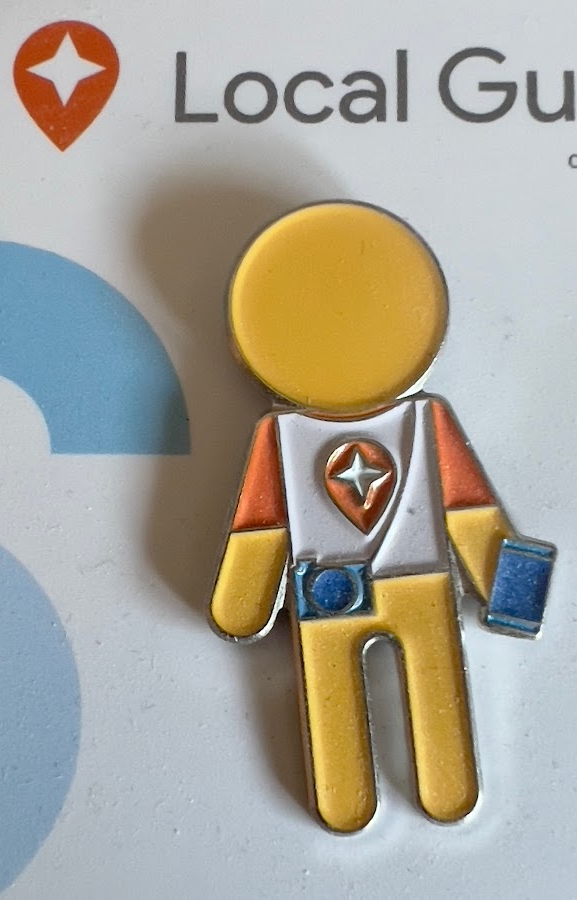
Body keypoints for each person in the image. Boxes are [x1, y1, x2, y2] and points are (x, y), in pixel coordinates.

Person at [210, 201, 555, 833]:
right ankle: (348, 796)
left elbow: (468, 507)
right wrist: (246, 597)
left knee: (435, 685)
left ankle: (441, 785)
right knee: (334, 708)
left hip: (416, 583)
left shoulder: (426, 418)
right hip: (327, 592)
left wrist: (508, 589)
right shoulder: (281, 436)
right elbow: (264, 523)